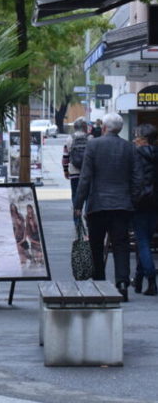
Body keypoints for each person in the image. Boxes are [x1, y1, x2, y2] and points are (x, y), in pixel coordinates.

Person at [74, 113, 142, 301]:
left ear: (103, 127)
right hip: (122, 205)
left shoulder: (93, 145)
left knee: (96, 245)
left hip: (98, 205)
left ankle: (100, 283)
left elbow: (85, 177)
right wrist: (132, 200)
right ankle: (122, 283)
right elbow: (137, 178)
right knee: (121, 245)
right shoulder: (129, 148)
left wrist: (78, 204)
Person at [131, 124, 158, 296]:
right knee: (146, 240)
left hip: (139, 202)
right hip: (155, 203)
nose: (134, 140)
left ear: (143, 140)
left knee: (142, 242)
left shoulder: (135, 155)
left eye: (137, 137)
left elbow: (133, 179)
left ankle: (151, 278)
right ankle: (139, 279)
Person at [62, 118, 90, 221]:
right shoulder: (90, 138)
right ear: (84, 127)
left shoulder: (69, 139)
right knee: (89, 196)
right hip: (88, 174)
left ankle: (77, 221)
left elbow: (65, 157)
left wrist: (66, 170)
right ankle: (88, 218)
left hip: (74, 173)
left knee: (75, 196)